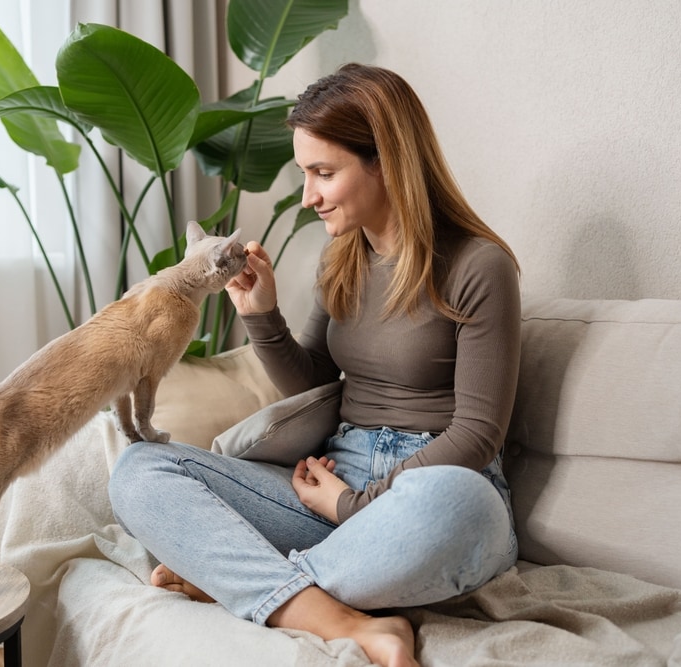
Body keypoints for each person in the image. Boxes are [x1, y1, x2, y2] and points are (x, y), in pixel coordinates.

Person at [109, 63, 521, 667]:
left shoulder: (479, 266)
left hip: (424, 494)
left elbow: (479, 434)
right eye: (306, 174)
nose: (309, 197)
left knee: (459, 503)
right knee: (139, 468)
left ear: (388, 162)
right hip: (330, 484)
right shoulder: (340, 259)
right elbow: (317, 383)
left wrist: (355, 506)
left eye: (324, 173)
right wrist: (261, 317)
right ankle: (344, 618)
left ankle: (242, 582)